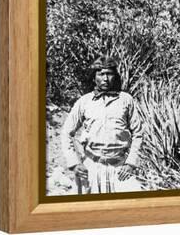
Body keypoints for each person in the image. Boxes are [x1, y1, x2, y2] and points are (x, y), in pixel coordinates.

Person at [61, 56, 143, 194]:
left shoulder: (126, 100)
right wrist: (74, 163)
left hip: (120, 167)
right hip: (91, 167)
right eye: (101, 74)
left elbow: (138, 133)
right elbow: (66, 133)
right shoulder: (84, 102)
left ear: (115, 76)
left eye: (109, 74)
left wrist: (131, 163)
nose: (105, 78)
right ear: (94, 77)